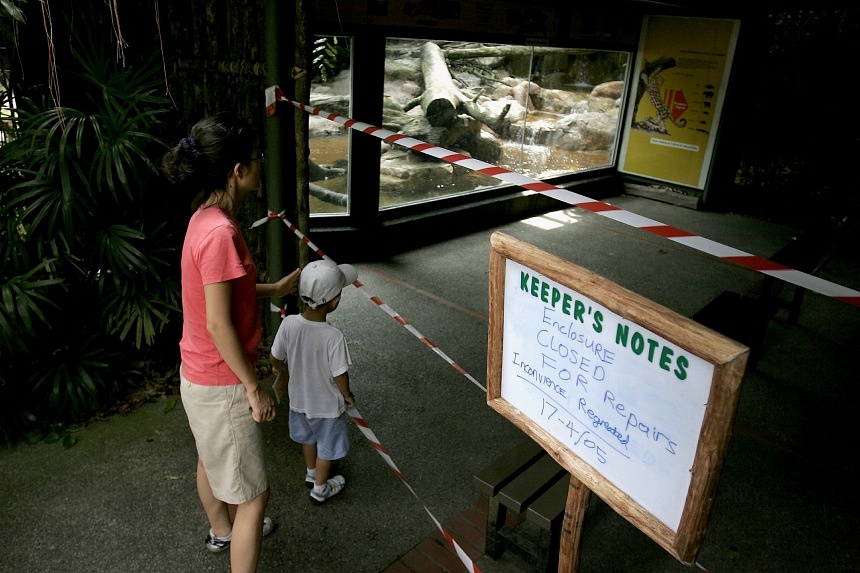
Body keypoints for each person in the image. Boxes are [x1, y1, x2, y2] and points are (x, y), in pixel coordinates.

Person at [162, 113, 300, 573]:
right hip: (221, 382)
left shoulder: (204, 219)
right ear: (238, 171)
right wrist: (253, 387)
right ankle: (233, 534)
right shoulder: (221, 233)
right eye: (256, 161)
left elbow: (220, 294)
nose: (260, 168)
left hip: (197, 373)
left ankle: (222, 531)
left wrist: (274, 290)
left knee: (210, 457)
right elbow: (220, 324)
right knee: (254, 496)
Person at [269, 260, 357, 504]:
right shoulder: (333, 337)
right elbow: (340, 374)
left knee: (308, 440)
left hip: (299, 402)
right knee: (326, 448)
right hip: (327, 408)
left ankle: (311, 472)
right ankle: (320, 488)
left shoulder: (288, 324)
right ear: (335, 301)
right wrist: (347, 395)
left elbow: (275, 358)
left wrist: (279, 370)